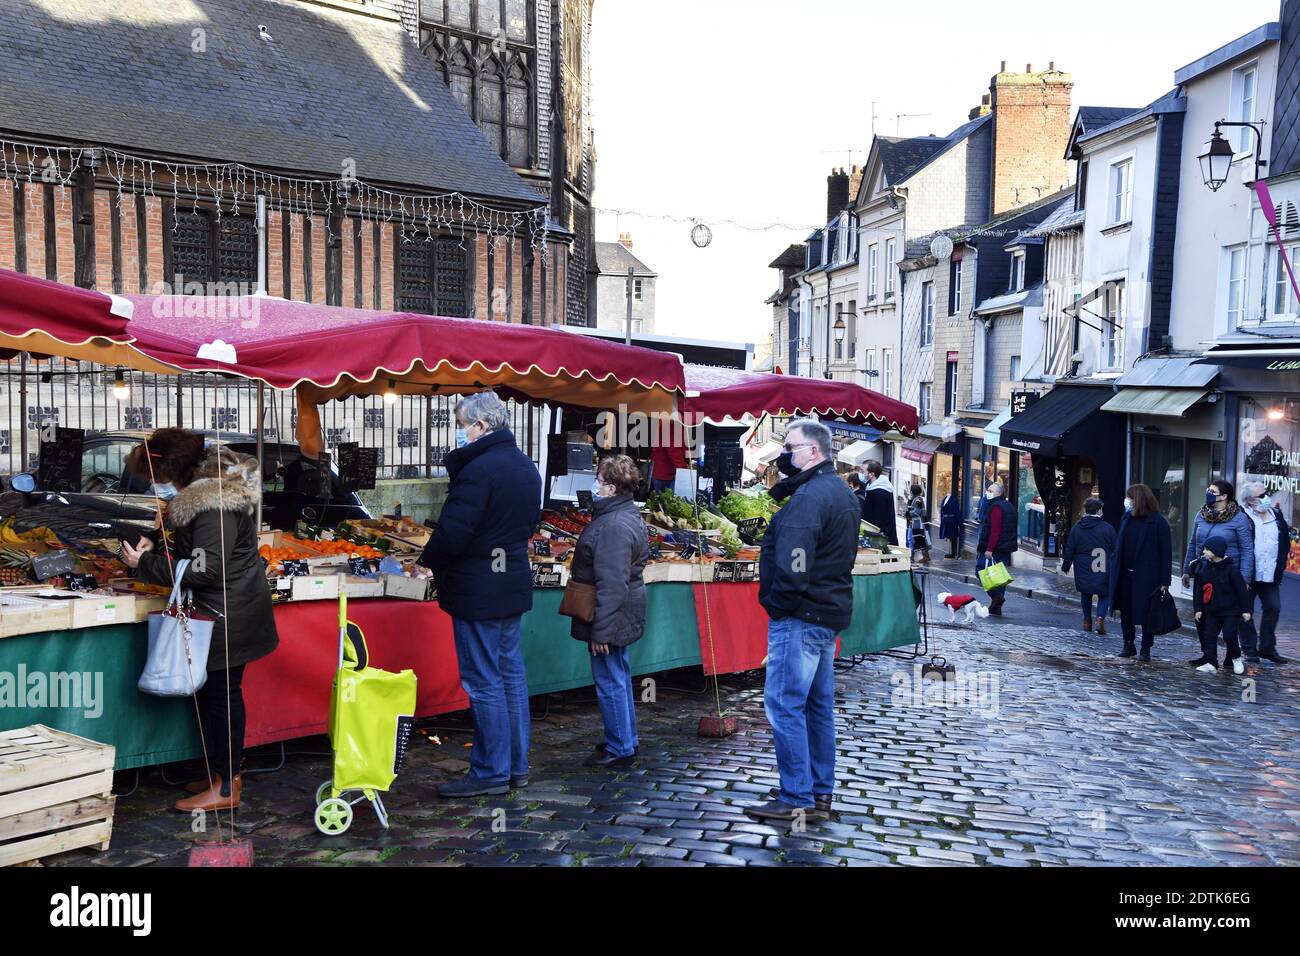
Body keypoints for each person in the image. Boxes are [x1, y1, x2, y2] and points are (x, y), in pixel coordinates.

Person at [121, 431, 279, 813]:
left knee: (221, 702)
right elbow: (200, 552)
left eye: (152, 472)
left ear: (167, 469)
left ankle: (227, 787)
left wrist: (142, 564)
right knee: (214, 699)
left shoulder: (213, 504)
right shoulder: (203, 498)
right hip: (222, 611)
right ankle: (221, 776)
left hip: (227, 615)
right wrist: (156, 545)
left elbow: (206, 568)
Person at [419, 392, 541, 797]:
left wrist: (427, 561)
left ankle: (491, 771)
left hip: (479, 586)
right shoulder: (525, 466)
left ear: (481, 426)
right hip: (509, 581)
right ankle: (515, 767)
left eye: (462, 425)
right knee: (511, 677)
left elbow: (454, 532)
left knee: (484, 681)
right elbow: (526, 525)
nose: (459, 433)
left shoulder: (478, 469)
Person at [746, 419, 859, 824]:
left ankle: (797, 794)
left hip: (802, 614)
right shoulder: (840, 492)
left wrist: (779, 604)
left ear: (813, 452)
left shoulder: (811, 497)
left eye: (790, 447)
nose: (784, 455)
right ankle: (817, 792)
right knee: (816, 706)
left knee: (785, 703)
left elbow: (796, 563)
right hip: (825, 613)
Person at [568, 455, 648, 767]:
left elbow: (612, 583)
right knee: (617, 675)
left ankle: (620, 746)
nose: (595, 485)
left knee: (610, 678)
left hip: (612, 613)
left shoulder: (613, 524)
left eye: (599, 480)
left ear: (611, 488)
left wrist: (601, 630)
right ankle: (624, 737)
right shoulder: (623, 515)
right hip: (620, 610)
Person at [1103, 484, 1172, 661]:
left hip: (1148, 577)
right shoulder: (1127, 518)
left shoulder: (1158, 522)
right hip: (1125, 574)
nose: (1127, 501)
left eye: (1130, 498)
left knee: (1147, 613)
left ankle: (1145, 648)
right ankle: (1128, 644)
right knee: (1126, 611)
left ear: (1139, 499)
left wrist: (1165, 580)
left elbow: (1166, 553)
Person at [1239, 482, 1290, 665]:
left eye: (1267, 493)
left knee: (1273, 608)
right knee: (1245, 612)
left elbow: (1284, 541)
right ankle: (1249, 649)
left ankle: (1267, 648)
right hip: (1249, 574)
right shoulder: (1242, 516)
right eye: (1262, 495)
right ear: (1251, 501)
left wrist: (1281, 566)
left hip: (1270, 574)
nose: (1267, 497)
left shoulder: (1276, 514)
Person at [1190, 535, 1251, 675]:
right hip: (1212, 611)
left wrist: (1246, 610)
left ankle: (1236, 658)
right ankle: (1211, 662)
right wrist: (1198, 609)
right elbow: (1200, 589)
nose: (1203, 552)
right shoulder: (1206, 569)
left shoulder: (1232, 571)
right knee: (1209, 636)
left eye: (1207, 549)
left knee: (1229, 635)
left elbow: (1242, 591)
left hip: (1230, 611)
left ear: (1216, 551)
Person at [1182, 479, 1255, 595]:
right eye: (1208, 490)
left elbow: (1247, 550)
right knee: (1200, 611)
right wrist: (1186, 570)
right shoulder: (1201, 515)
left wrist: (1244, 580)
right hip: (1202, 573)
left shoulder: (1239, 518)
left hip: (1226, 576)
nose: (1208, 494)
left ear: (1223, 496)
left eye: (1212, 491)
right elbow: (1193, 543)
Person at [1059, 497, 1117, 635]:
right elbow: (1116, 549)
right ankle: (1100, 618)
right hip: (1103, 566)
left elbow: (1070, 548)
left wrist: (1066, 566)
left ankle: (1086, 621)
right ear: (1099, 511)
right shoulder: (1107, 528)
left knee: (1086, 593)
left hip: (1083, 568)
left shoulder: (1077, 528)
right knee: (1105, 594)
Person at [976, 481, 1018, 616]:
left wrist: (989, 549)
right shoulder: (1009, 506)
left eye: (990, 491)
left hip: (995, 548)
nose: (987, 493)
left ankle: (996, 597)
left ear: (999, 493)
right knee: (1000, 577)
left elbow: (995, 530)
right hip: (1005, 547)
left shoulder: (996, 507)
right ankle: (996, 607)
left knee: (980, 570)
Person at [858, 460, 899, 546]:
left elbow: (878, 520)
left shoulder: (880, 493)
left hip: (879, 540)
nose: (860, 473)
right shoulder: (872, 487)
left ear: (871, 474)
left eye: (863, 471)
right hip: (875, 536)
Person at [906, 483, 931, 564]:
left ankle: (924, 556)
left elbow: (917, 512)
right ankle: (912, 556)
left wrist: (908, 513)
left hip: (918, 524)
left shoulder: (918, 500)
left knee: (917, 539)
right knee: (915, 539)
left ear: (913, 492)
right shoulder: (917, 499)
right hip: (915, 523)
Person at [939, 488, 962, 559]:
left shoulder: (954, 500)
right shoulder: (945, 498)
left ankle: (954, 553)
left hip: (952, 520)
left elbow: (957, 511)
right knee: (949, 536)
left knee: (953, 537)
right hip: (946, 520)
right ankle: (951, 552)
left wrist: (959, 523)